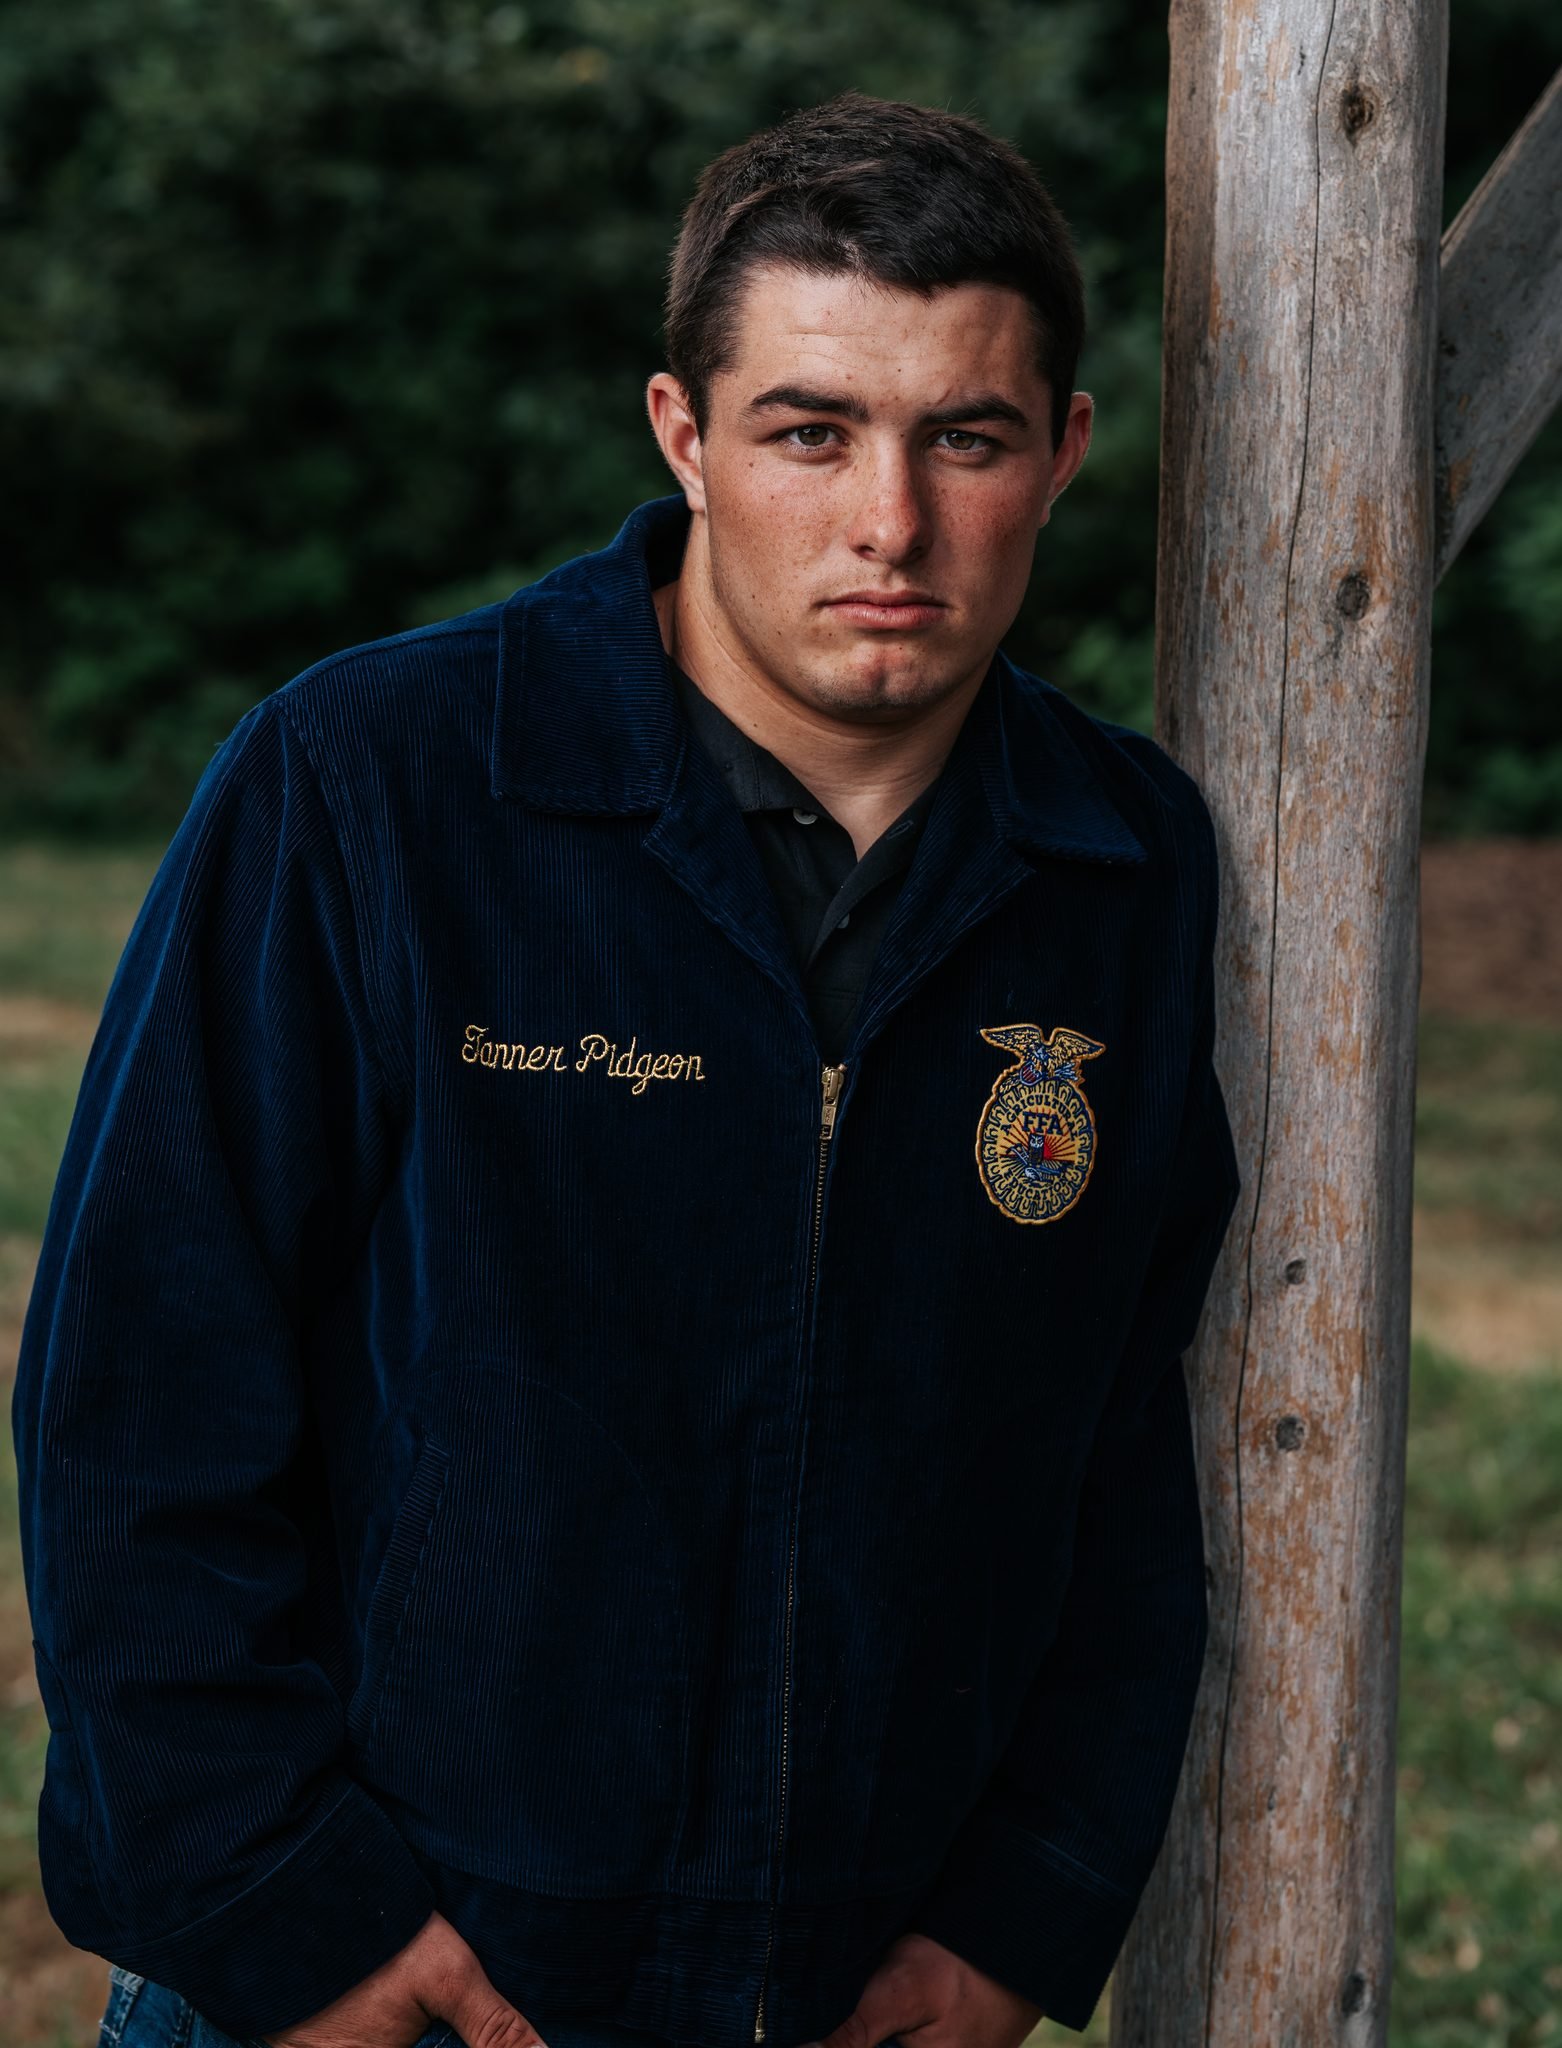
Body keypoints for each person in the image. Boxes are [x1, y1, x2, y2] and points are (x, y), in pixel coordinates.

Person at [13, 89, 1239, 2048]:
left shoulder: (1121, 869)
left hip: (845, 1997)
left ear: (1065, 453)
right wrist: (283, 1909)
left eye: (968, 439)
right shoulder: (372, 787)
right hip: (387, 1980)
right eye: (809, 430)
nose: (889, 523)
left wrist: (1020, 1910)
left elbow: (1113, 1451)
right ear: (681, 432)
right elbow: (141, 1401)